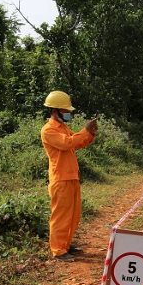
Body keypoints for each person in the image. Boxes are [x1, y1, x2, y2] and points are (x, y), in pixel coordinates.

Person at [41, 91, 98, 262]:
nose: (68, 113)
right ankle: (58, 250)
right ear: (55, 110)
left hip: (71, 176)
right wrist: (85, 130)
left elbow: (77, 141)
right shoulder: (48, 130)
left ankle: (65, 244)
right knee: (60, 216)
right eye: (66, 110)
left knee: (73, 214)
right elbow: (67, 143)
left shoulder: (63, 128)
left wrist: (90, 134)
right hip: (60, 179)